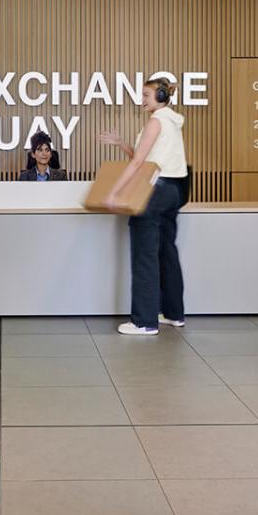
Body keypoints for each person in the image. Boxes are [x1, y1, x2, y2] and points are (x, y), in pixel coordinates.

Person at [98, 75, 190, 335]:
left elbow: (139, 164)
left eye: (146, 96)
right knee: (166, 253)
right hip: (174, 190)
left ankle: (144, 322)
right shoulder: (172, 122)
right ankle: (173, 314)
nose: (142, 99)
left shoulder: (155, 122)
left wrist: (114, 193)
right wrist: (122, 144)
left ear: (160, 97)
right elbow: (148, 157)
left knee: (144, 256)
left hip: (153, 191)